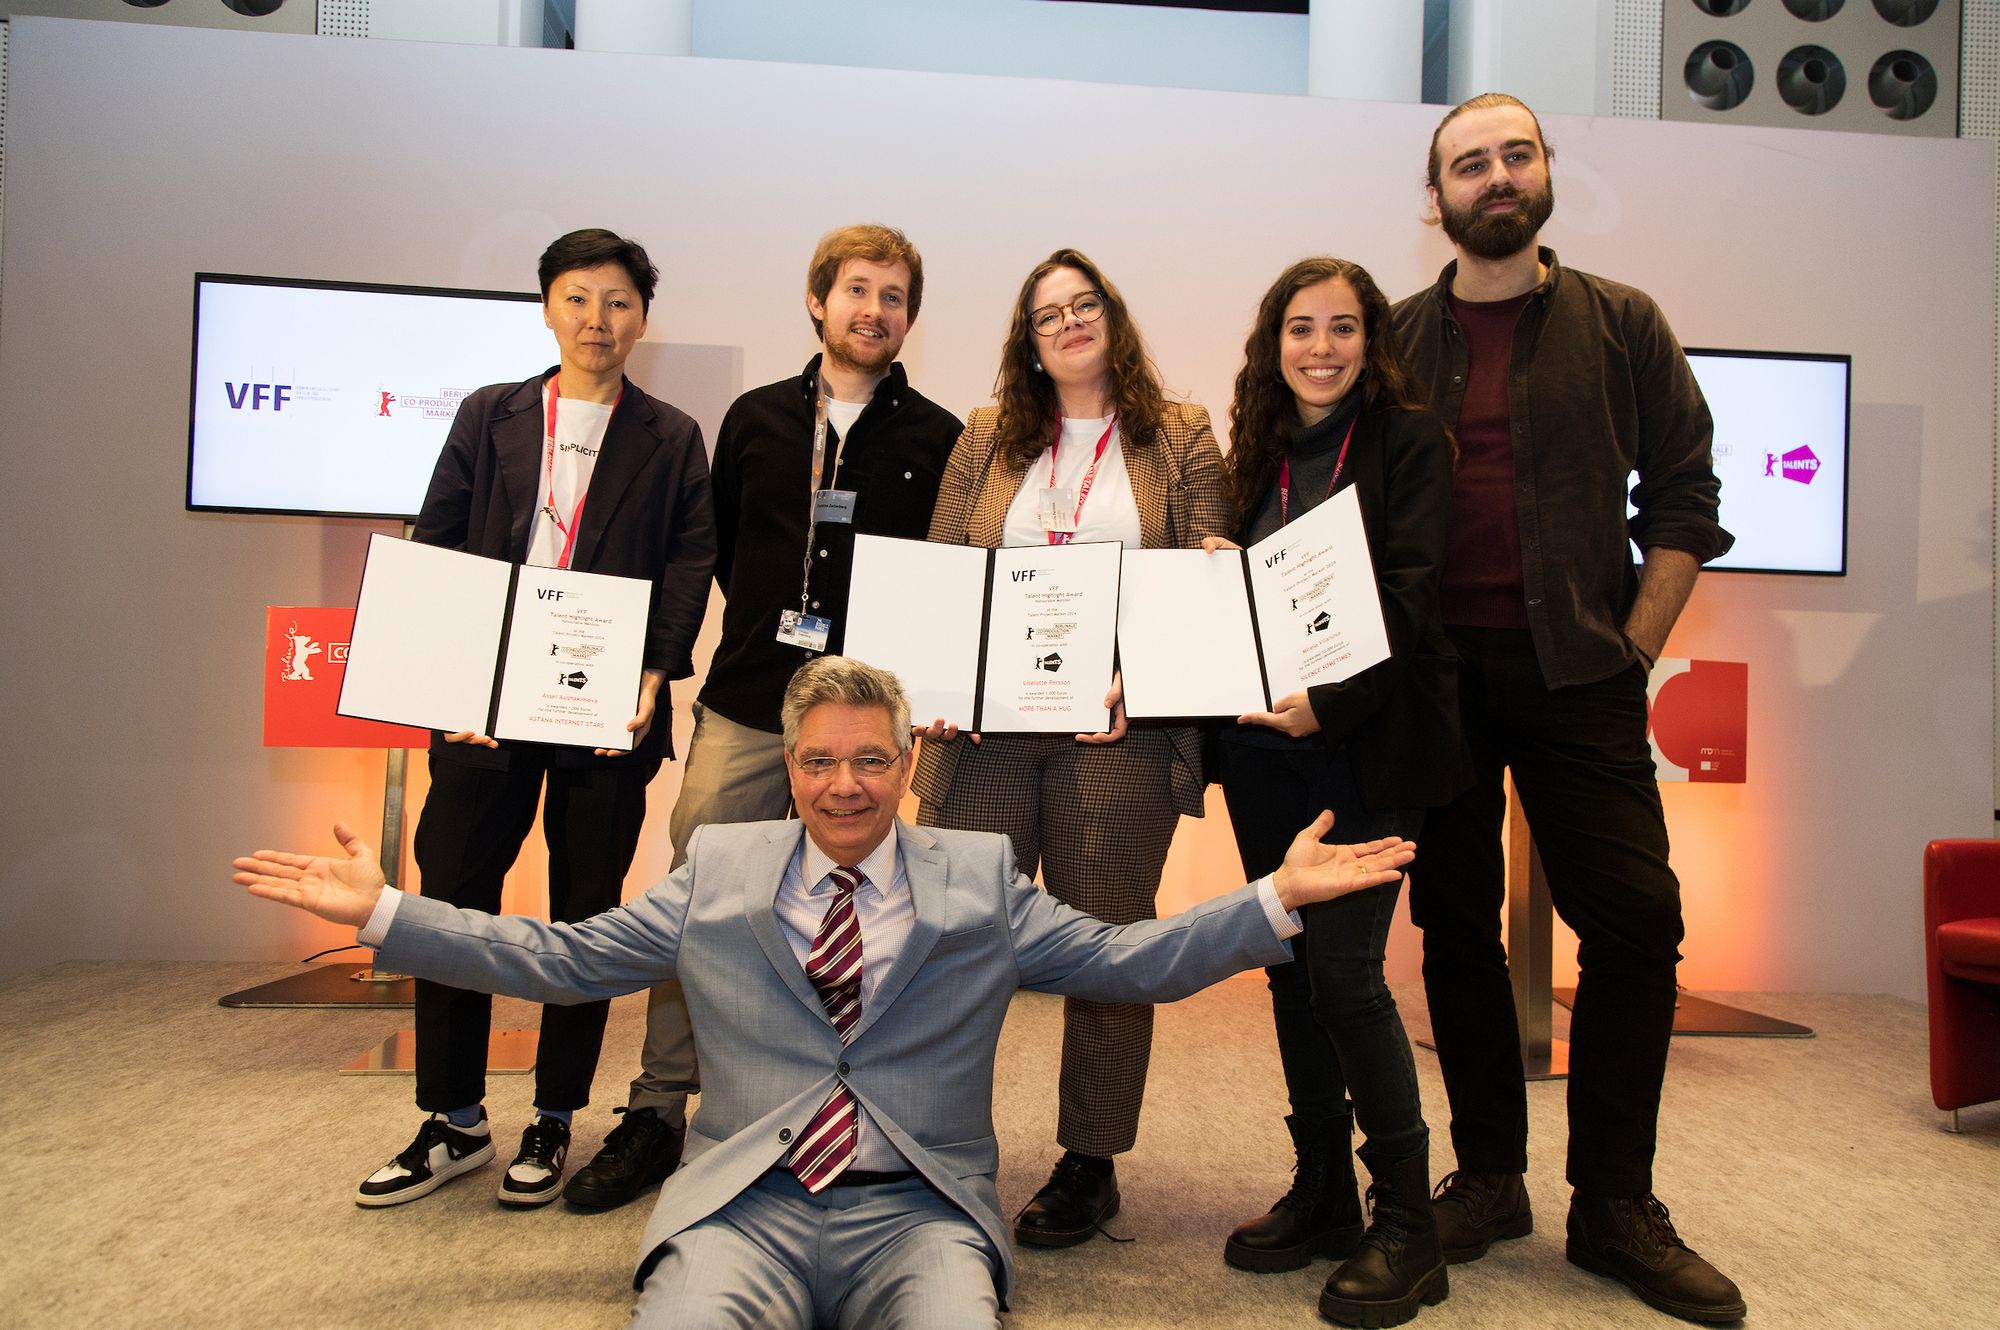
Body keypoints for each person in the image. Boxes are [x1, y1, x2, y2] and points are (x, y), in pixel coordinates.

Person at [235, 656, 1419, 1330]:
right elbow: (562, 958)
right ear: (789, 766)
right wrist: (385, 912)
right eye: (816, 759)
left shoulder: (977, 877)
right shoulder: (718, 871)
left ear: (907, 764)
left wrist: (1272, 897)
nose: (842, 784)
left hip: (917, 1213)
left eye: (868, 759)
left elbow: (1120, 962)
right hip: (743, 1207)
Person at [1389, 94, 1744, 1324]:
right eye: (1467, 163)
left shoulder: (1619, 323)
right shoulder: (1394, 340)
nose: (1495, 176)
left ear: (1542, 176)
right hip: (1434, 677)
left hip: (1577, 671)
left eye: (1514, 155)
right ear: (1432, 198)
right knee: (1452, 926)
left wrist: (1633, 649)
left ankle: (1613, 1203)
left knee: (1637, 924)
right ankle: (1487, 1176)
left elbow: (1687, 496)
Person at [565, 224, 962, 1210]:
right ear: (817, 299)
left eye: (894, 296)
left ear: (909, 317)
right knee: (699, 897)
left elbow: (951, 580)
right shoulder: (749, 420)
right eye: (857, 290)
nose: (873, 310)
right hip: (749, 702)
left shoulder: (938, 436)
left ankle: (820, 1110)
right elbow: (722, 552)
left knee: (852, 918)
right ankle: (657, 1107)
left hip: (866, 728)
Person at [373, 228, 715, 1209]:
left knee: (586, 914)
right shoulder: (491, 415)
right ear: (546, 306)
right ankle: (452, 1117)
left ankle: (557, 1113)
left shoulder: (671, 435)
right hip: (482, 711)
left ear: (641, 317)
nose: (596, 320)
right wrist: (451, 684)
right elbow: (436, 544)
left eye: (616, 302)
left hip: (605, 713)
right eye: (577, 298)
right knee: (451, 906)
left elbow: (690, 562)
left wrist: (655, 672)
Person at [915, 247, 1231, 1247]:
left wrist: (1142, 677)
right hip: (992, 734)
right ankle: (928, 1138)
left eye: (1083, 303)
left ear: (1111, 316)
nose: (1068, 321)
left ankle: (1089, 1162)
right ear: (1027, 339)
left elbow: (1207, 584)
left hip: (1118, 733)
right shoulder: (985, 436)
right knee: (950, 936)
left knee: (1103, 943)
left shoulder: (1179, 434)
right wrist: (935, 684)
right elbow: (944, 576)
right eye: (1046, 312)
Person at [1204, 257, 1467, 1328]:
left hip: (1367, 744)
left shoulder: (1409, 440)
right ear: (1273, 344)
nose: (1320, 347)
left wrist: (1328, 702)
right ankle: (1320, 1191)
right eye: (1300, 328)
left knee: (1349, 977)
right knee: (1289, 971)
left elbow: (1407, 593)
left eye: (1342, 327)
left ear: (1371, 339)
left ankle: (1404, 1225)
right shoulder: (1254, 453)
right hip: (1264, 751)